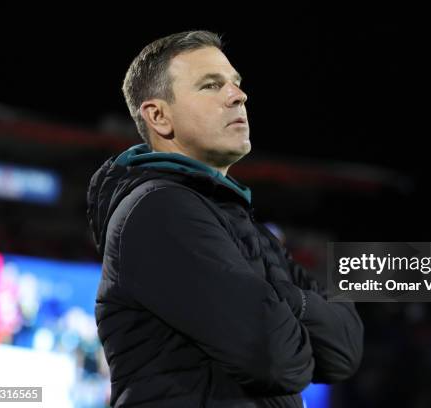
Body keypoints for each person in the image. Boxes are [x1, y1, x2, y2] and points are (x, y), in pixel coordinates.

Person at [86, 30, 363, 407]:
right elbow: (276, 361)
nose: (238, 95)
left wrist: (284, 302)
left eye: (235, 83)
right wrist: (294, 305)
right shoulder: (158, 210)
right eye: (211, 85)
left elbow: (344, 350)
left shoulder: (243, 224)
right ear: (158, 116)